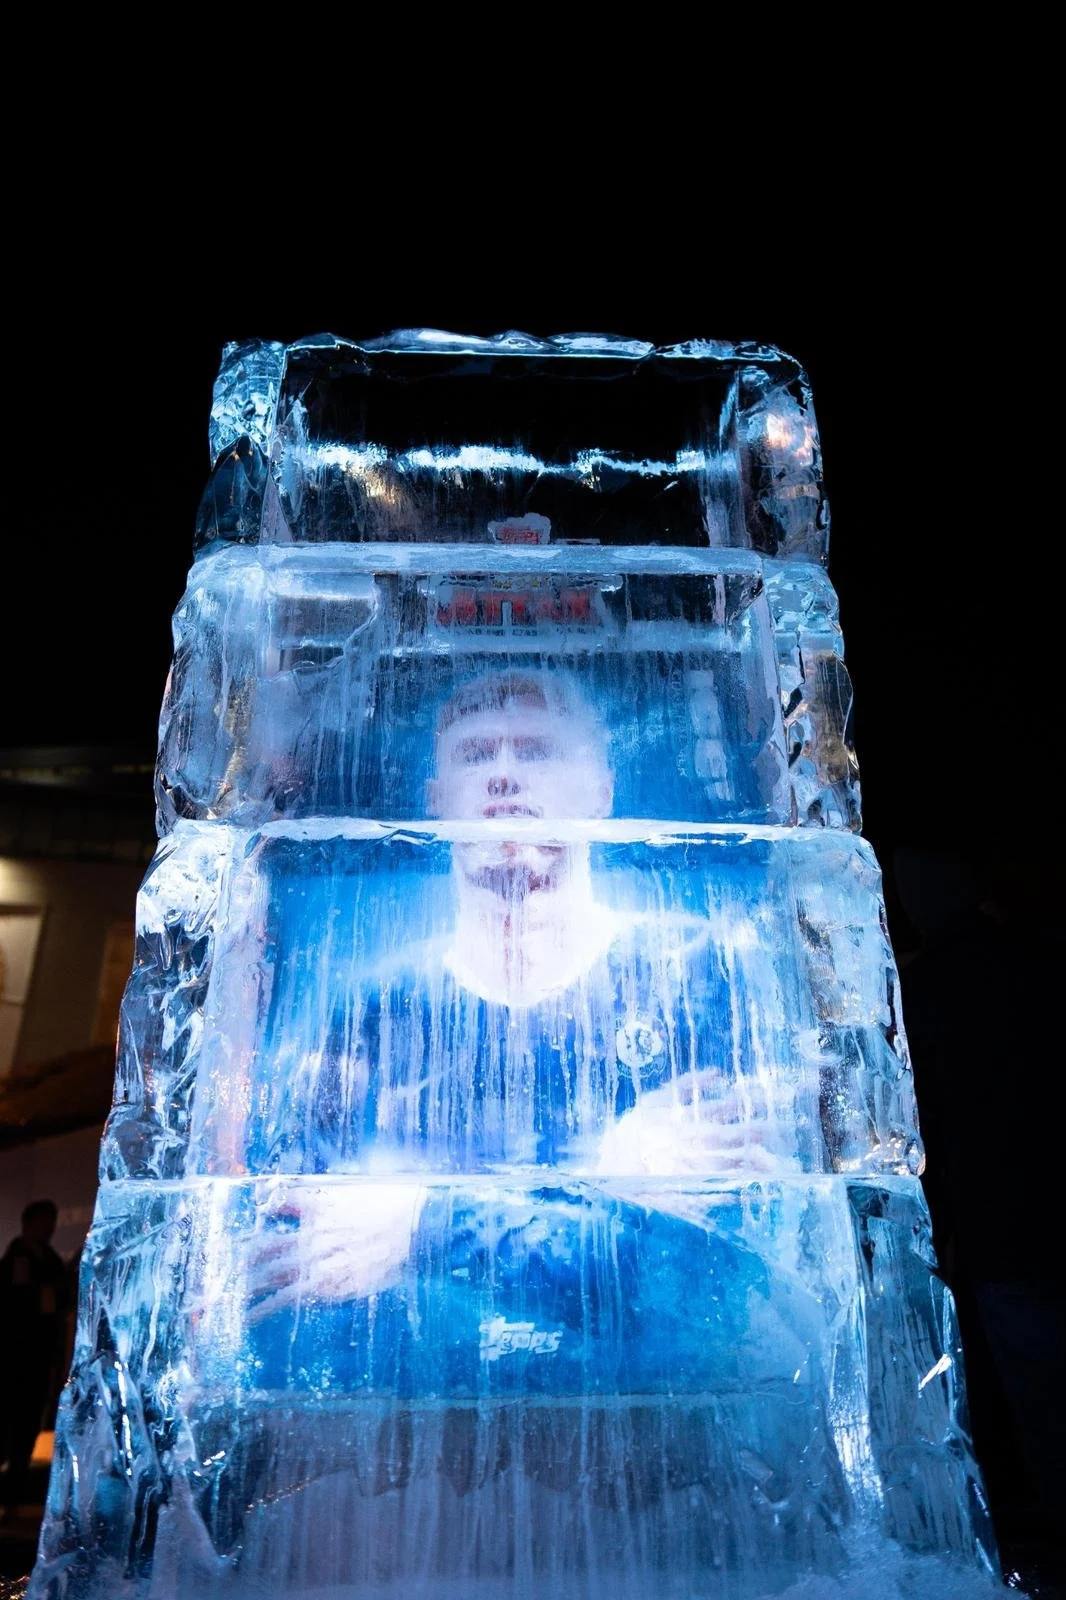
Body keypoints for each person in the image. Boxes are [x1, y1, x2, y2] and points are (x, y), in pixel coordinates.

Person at [179, 671, 841, 1589]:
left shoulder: (694, 976)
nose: (503, 775)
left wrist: (421, 1226)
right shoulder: (365, 1013)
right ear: (434, 797)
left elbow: (727, 1302)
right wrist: (611, 1188)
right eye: (476, 753)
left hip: (656, 1507)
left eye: (535, 750)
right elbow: (301, 1294)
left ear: (601, 786)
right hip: (402, 1505)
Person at [0, 1199, 70, 1516]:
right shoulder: (15, 1259)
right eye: (44, 1221)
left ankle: (11, 1500)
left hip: (40, 1359)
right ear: (29, 1223)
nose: (49, 1228)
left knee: (27, 1428)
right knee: (7, 1425)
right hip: (13, 1358)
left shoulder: (53, 1262)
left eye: (52, 1222)